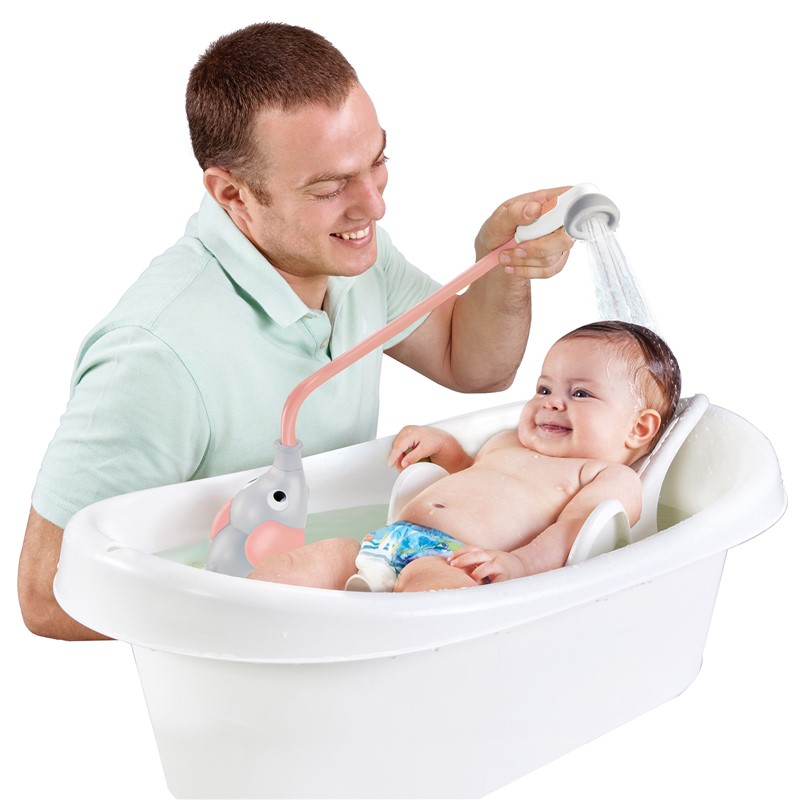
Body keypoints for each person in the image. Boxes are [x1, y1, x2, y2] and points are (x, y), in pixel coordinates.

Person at [18, 22, 573, 639]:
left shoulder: (347, 253)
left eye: (377, 162)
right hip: (255, 662)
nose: (374, 205)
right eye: (329, 188)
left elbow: (470, 363)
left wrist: (502, 266)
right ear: (232, 193)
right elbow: (47, 595)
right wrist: (265, 602)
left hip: (356, 618)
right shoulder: (155, 355)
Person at [247, 321, 681, 591]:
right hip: (382, 543)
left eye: (580, 393)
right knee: (304, 564)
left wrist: (519, 564)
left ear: (638, 428)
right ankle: (245, 614)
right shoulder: (508, 442)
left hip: (456, 563)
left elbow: (573, 533)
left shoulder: (605, 476)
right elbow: (471, 478)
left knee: (429, 598)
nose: (551, 402)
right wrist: (443, 448)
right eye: (544, 388)